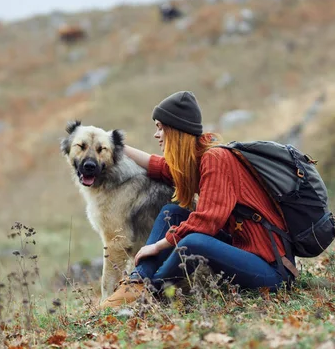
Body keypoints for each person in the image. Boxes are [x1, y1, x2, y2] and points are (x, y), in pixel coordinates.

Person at [99, 91, 296, 309]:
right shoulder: (198, 160)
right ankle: (136, 284)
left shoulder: (216, 159)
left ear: (176, 130)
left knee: (193, 242)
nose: (157, 134)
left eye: (160, 127)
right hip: (243, 252)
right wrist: (113, 144)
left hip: (272, 271)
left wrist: (157, 246)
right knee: (171, 212)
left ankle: (148, 292)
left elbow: (206, 222)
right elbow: (160, 167)